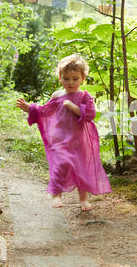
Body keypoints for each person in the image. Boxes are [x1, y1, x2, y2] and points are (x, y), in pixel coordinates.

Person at [15, 54, 111, 210]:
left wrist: (73, 107)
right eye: (66, 78)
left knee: (81, 170)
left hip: (78, 141)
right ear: (60, 77)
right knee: (60, 165)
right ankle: (56, 194)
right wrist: (29, 108)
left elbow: (90, 115)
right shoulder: (57, 96)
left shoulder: (85, 96)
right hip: (59, 139)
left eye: (74, 78)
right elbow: (44, 111)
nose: (70, 82)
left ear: (83, 78)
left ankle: (83, 199)